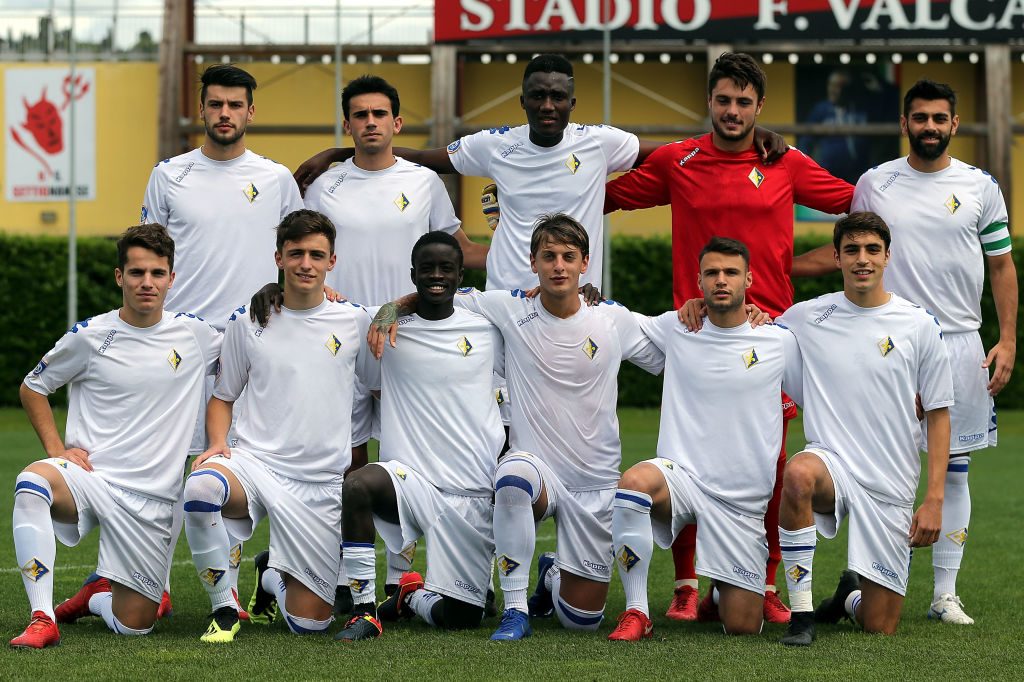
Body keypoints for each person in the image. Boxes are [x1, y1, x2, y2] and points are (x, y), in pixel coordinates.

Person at [604, 51, 854, 623]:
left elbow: (855, 203)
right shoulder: (678, 159)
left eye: (744, 102)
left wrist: (813, 265)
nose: (733, 110)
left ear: (759, 107)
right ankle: (688, 584)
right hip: (695, 332)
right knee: (685, 455)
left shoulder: (786, 162)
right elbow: (606, 198)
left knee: (767, 462)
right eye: (724, 99)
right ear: (709, 102)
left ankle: (763, 581)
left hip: (768, 339)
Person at [370, 213, 665, 641]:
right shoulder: (511, 307)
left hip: (596, 483)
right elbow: (438, 292)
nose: (558, 266)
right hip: (536, 471)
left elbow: (673, 344)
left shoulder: (612, 318)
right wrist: (390, 309)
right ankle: (515, 610)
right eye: (548, 256)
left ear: (585, 263)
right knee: (510, 477)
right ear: (533, 262)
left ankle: (551, 577)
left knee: (581, 620)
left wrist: (722, 315)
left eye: (568, 256)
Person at [294, 54, 786, 292]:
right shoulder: (496, 145)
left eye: (558, 97)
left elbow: (683, 153)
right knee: (501, 419)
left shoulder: (599, 143)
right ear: (524, 99)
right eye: (538, 96)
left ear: (572, 101)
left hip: (579, 295)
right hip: (505, 297)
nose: (548, 105)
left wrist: (748, 134)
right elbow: (429, 157)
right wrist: (341, 151)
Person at [302, 75, 489, 608]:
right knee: (348, 454)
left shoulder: (425, 182)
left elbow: (459, 249)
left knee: (405, 451)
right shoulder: (324, 185)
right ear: (348, 125)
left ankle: (401, 576)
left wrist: (532, 264)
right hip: (341, 337)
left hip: (409, 338)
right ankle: (346, 571)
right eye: (359, 116)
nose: (370, 123)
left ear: (397, 123)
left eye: (379, 114)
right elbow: (308, 248)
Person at [135, 64, 305, 616]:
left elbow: (299, 250)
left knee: (242, 461)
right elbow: (147, 254)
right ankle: (149, 585)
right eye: (215, 104)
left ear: (251, 112)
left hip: (255, 341)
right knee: (166, 465)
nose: (225, 113)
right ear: (201, 109)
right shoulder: (169, 174)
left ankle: (239, 589)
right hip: (180, 345)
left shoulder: (277, 177)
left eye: (236, 104)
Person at [849, 80, 1016, 625]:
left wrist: (1008, 338)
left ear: (954, 123)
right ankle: (870, 579)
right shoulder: (875, 184)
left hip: (960, 343)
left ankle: (945, 594)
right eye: (919, 117)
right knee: (878, 469)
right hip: (888, 342)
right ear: (904, 124)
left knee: (957, 469)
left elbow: (1000, 267)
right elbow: (854, 254)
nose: (929, 126)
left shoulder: (980, 187)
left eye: (938, 118)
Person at [10, 224, 221, 648]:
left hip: (153, 500)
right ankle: (41, 616)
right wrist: (57, 451)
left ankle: (96, 599)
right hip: (90, 480)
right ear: (118, 276)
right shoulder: (89, 336)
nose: (147, 283)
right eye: (137, 272)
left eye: (157, 273)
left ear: (171, 279)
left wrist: (322, 296)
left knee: (135, 625)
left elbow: (255, 344)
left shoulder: (196, 335)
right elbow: (33, 387)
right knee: (32, 482)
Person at [182, 210, 377, 643]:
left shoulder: (355, 320)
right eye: (296, 254)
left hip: (321, 480)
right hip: (255, 463)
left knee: (311, 623)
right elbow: (223, 396)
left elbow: (377, 387)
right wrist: (216, 443)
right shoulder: (248, 320)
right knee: (199, 491)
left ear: (332, 262)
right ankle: (224, 610)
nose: (306, 263)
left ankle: (271, 575)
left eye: (316, 254)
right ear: (278, 258)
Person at [607, 236, 802, 641]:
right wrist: (586, 292)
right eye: (712, 273)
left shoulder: (778, 341)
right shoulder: (678, 327)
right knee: (633, 486)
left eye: (731, 272)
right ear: (699, 281)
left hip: (741, 504)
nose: (721, 280)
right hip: (683, 479)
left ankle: (719, 592)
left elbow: (822, 394)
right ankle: (637, 611)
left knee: (743, 627)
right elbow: (616, 320)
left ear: (749, 279)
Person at [776, 212, 953, 646]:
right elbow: (752, 334)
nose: (862, 259)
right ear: (835, 257)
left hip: (890, 479)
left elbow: (939, 413)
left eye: (872, 250)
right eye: (852, 250)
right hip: (831, 463)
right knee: (798, 475)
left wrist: (933, 500)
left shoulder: (918, 324)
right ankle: (801, 615)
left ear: (888, 256)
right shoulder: (805, 317)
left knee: (880, 623)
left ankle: (847, 598)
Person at [335, 231, 504, 641]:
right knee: (357, 484)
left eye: (446, 268)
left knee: (466, 616)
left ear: (461, 275)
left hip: (471, 489)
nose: (436, 276)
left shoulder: (489, 327)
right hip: (409, 482)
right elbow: (321, 306)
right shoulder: (384, 327)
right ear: (412, 274)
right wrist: (274, 290)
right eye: (426, 268)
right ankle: (363, 611)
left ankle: (410, 597)